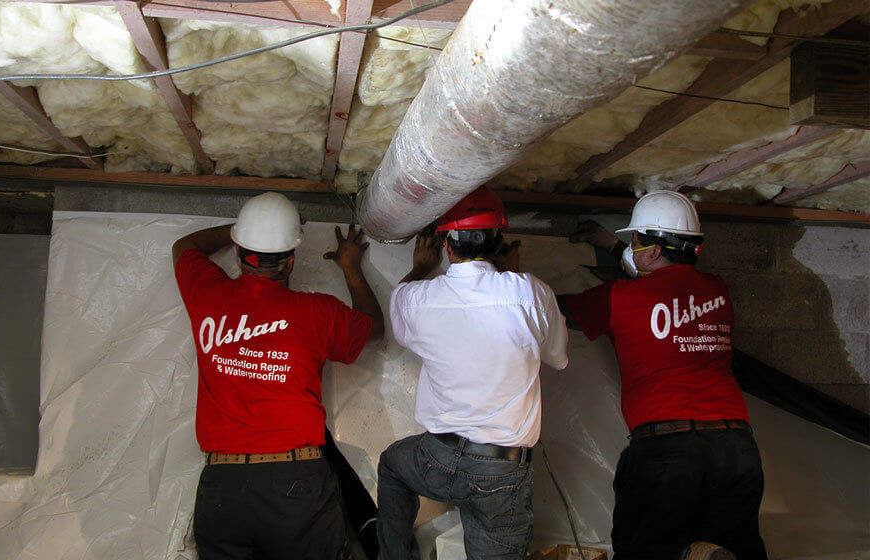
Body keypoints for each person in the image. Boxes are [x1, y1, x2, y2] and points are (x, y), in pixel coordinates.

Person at [172, 192, 384, 560]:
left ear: (239, 253)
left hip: (224, 486)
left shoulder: (205, 293)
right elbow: (374, 329)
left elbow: (185, 245)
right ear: (290, 261)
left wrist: (245, 232)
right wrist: (351, 267)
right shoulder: (317, 313)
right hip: (296, 483)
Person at [558, 190, 767, 560]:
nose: (633, 247)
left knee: (645, 551)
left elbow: (544, 312)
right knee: (731, 548)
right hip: (736, 448)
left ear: (652, 251)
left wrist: (507, 277)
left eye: (635, 241)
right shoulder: (719, 290)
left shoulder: (619, 298)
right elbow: (659, 277)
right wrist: (609, 244)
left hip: (667, 453)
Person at [377, 186, 569, 560]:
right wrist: (510, 275)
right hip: (501, 473)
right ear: (498, 242)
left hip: (437, 458)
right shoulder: (532, 293)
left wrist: (419, 266)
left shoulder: (418, 298)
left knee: (393, 465)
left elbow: (400, 308)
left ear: (447, 245)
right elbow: (559, 358)